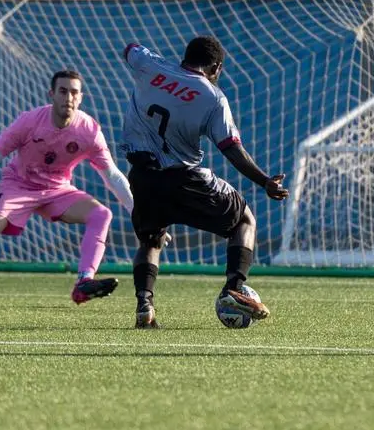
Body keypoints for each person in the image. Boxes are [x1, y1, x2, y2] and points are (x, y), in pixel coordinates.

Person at [0, 70, 134, 306]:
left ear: (81, 97)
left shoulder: (89, 131)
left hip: (57, 190)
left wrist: (138, 213)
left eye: (74, 92)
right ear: (52, 94)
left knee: (102, 214)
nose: (68, 98)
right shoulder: (29, 121)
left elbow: (112, 175)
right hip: (18, 185)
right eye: (63, 91)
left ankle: (83, 284)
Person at [120, 35, 289, 328]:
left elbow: (130, 49)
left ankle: (144, 306)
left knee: (152, 238)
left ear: (185, 57)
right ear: (217, 67)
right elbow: (231, 149)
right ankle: (234, 289)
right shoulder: (212, 97)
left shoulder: (149, 65)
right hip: (183, 178)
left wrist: (156, 64)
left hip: (142, 176)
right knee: (244, 220)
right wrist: (264, 181)